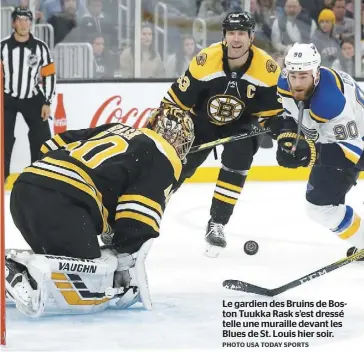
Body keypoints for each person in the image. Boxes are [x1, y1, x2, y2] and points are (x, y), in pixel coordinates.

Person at [5, 106, 195, 317]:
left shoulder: (117, 128)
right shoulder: (164, 157)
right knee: (89, 282)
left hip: (26, 186)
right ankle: (12, 271)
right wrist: (124, 255)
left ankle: (19, 274)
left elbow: (52, 144)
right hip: (63, 202)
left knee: (61, 258)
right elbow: (138, 214)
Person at [154, 11, 283, 257]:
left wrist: (278, 128)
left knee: (239, 160)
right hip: (202, 122)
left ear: (251, 37)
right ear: (224, 36)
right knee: (176, 166)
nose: (236, 39)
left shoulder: (267, 69)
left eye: (242, 33)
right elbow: (175, 102)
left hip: (242, 125)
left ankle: (218, 223)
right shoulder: (205, 61)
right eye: (231, 33)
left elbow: (273, 112)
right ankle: (143, 212)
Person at [275, 43, 364, 259]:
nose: (296, 83)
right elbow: (289, 113)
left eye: (303, 76)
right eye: (293, 75)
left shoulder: (330, 101)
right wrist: (286, 136)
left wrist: (310, 154)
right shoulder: (285, 83)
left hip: (356, 141)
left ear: (316, 74)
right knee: (319, 206)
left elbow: (351, 154)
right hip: (332, 139)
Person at [1, 6, 56, 184]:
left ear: (31, 23)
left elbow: (49, 76)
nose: (24, 24)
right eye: (20, 19)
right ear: (13, 23)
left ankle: (40, 176)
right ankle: (2, 177)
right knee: (4, 139)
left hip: (33, 97)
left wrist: (47, 101)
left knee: (42, 138)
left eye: (27, 20)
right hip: (7, 97)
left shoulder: (41, 48)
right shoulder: (2, 47)